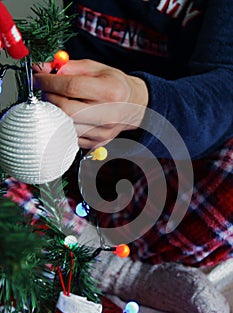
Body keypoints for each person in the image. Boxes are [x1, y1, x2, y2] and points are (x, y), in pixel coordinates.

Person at [34, 0, 233, 268]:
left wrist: (139, 104)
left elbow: (224, 92)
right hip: (78, 171)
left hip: (181, 176)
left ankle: (116, 267)